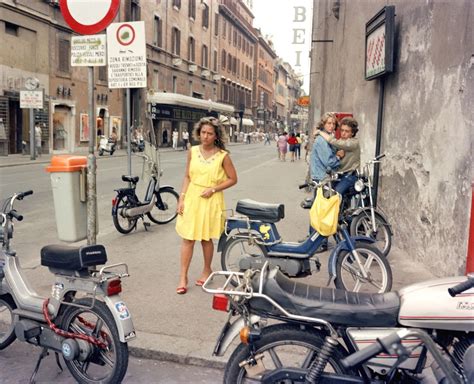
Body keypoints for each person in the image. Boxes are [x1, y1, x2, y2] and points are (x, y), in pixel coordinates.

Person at [175, 117, 238, 295]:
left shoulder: (223, 156)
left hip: (211, 199)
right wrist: (182, 199)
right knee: (187, 238)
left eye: (210, 133)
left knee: (205, 238)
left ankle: (206, 269)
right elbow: (187, 176)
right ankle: (183, 277)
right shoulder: (192, 151)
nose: (205, 136)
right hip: (193, 197)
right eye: (203, 132)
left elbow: (233, 179)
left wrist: (213, 189)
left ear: (216, 135)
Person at [316, 117, 360, 195]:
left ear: (352, 133)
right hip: (337, 176)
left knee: (336, 194)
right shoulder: (340, 141)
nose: (343, 133)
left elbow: (334, 142)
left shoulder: (354, 143)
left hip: (350, 175)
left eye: (347, 131)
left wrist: (320, 132)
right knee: (323, 192)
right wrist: (337, 155)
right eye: (342, 130)